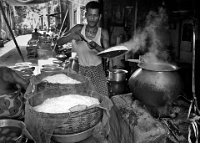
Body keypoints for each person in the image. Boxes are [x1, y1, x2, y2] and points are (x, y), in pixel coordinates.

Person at [57, 1, 109, 96]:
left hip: (98, 71)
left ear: (100, 16)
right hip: (80, 69)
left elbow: (108, 55)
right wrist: (71, 36)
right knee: (82, 100)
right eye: (90, 15)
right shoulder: (78, 29)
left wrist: (96, 47)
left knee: (103, 98)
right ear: (85, 15)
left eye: (95, 15)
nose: (92, 19)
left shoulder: (103, 32)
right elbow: (59, 42)